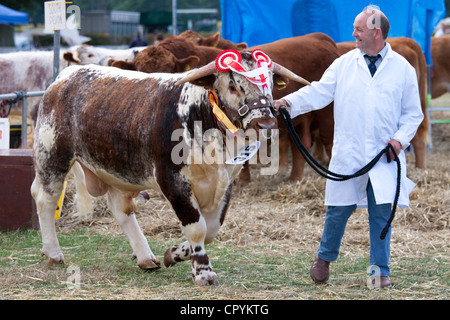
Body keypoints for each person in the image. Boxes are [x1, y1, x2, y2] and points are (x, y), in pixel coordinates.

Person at [274, 5, 424, 288]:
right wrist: (289, 103)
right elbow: (319, 92)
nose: (353, 33)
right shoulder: (344, 64)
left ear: (376, 32)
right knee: (338, 210)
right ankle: (324, 258)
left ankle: (379, 270)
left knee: (381, 214)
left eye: (359, 29)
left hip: (384, 156)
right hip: (350, 152)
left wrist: (400, 140)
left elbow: (413, 114)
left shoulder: (402, 69)